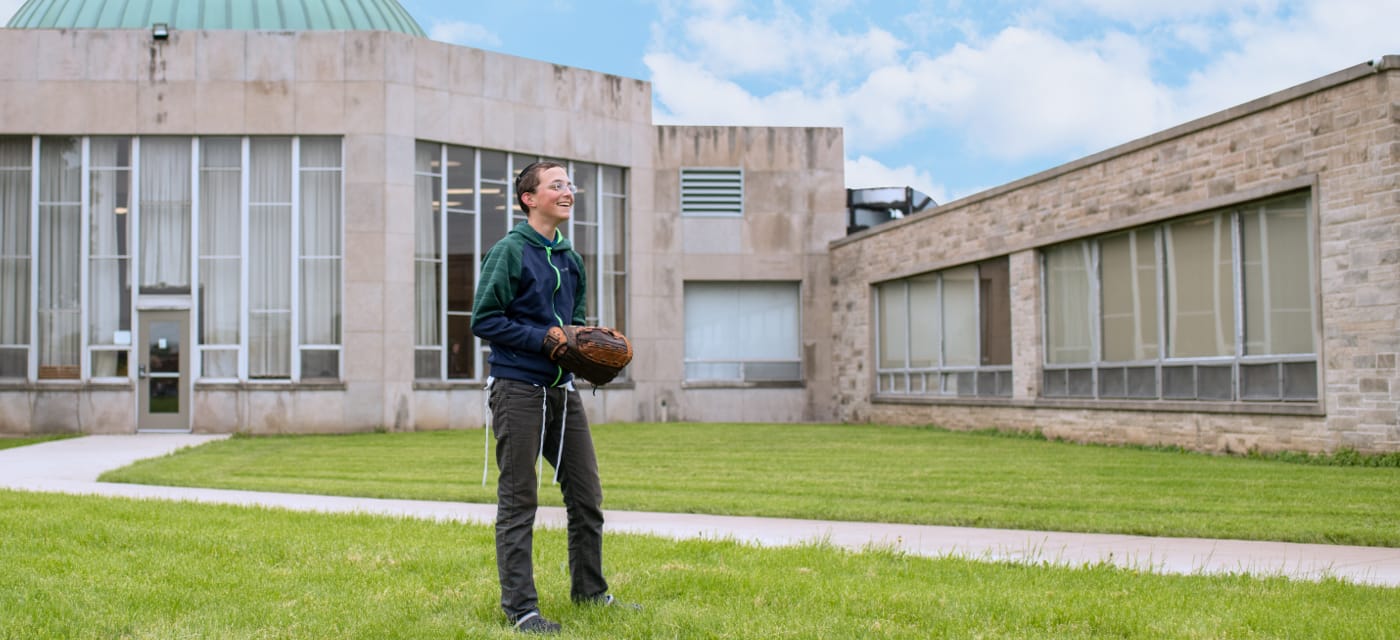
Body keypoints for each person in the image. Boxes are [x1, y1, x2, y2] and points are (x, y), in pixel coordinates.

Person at [471, 161, 628, 634]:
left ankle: (591, 593)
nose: (568, 191)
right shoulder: (510, 252)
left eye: (569, 185)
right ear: (529, 198)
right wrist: (545, 339)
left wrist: (587, 352)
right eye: (556, 185)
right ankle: (522, 611)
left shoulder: (570, 259)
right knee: (520, 501)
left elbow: (574, 325)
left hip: (562, 391)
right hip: (518, 388)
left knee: (586, 496)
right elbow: (485, 319)